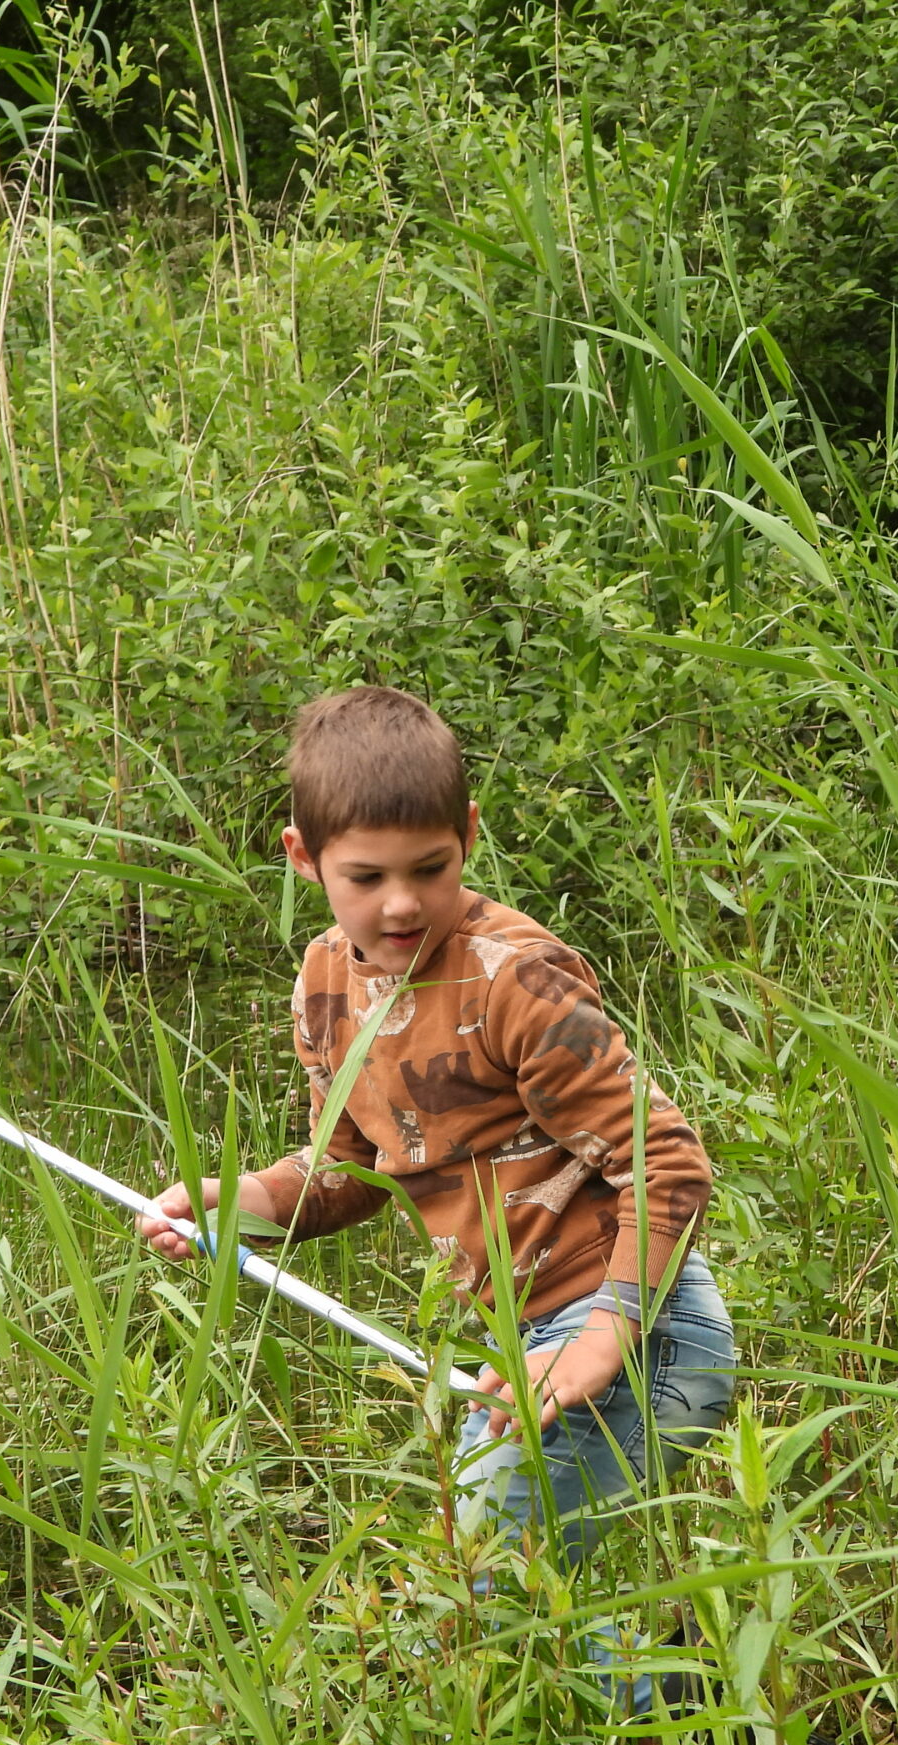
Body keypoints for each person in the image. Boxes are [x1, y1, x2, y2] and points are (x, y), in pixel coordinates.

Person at [137, 686, 737, 1644]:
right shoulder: (328, 981)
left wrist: (601, 1339)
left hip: (641, 1327)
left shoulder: (514, 978)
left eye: (432, 868)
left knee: (477, 1586)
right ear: (304, 859)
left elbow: (669, 1163)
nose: (403, 902)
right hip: (515, 1347)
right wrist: (230, 1202)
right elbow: (344, 1174)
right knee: (513, 1606)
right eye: (366, 877)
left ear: (467, 834)